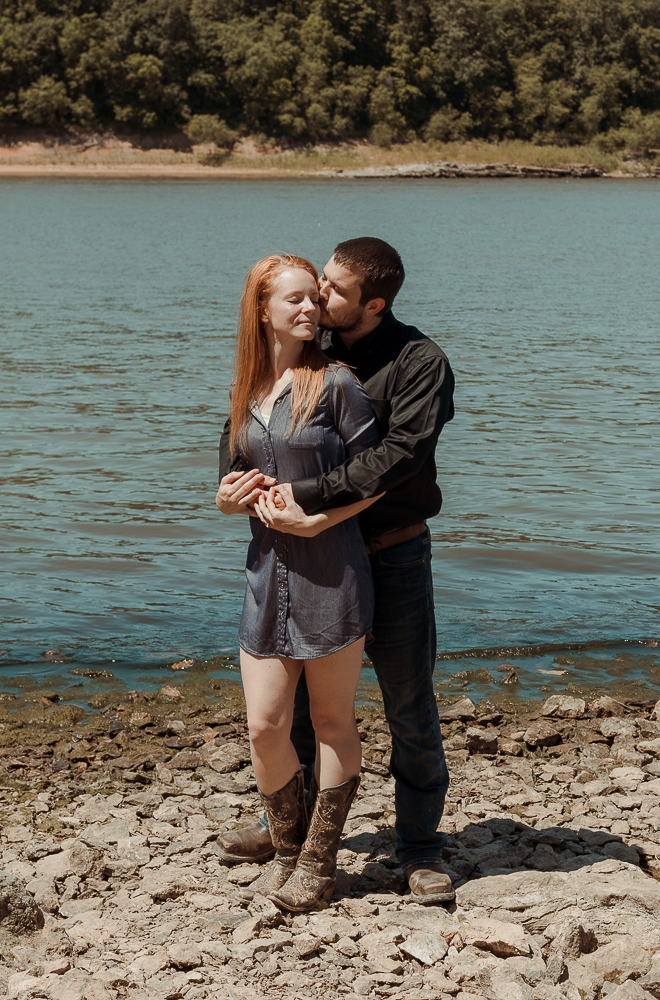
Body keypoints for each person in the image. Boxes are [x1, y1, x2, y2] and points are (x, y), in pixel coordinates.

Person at [217, 237, 458, 905]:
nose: (320, 298)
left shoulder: (418, 363)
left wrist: (310, 508)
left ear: (372, 304)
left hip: (392, 550)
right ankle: (286, 831)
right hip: (307, 554)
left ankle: (419, 848)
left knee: (407, 702)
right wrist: (240, 491)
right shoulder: (303, 349)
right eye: (317, 283)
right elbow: (242, 434)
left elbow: (396, 460)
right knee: (288, 708)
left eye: (335, 291)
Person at [214, 253, 384, 913]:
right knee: (264, 725)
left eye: (315, 299)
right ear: (262, 310)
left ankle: (318, 864)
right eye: (295, 301)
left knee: (332, 719)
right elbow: (232, 477)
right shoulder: (246, 389)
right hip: (266, 575)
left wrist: (319, 519)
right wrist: (226, 500)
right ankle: (286, 852)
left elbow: (378, 477)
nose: (311, 310)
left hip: (332, 571)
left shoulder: (338, 384)